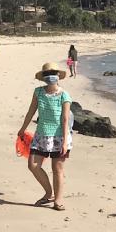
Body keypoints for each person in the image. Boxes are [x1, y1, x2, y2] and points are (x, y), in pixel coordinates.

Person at [18, 62, 72, 210]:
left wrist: (65, 141)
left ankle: (58, 200)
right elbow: (31, 112)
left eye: (53, 73)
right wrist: (23, 129)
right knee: (33, 165)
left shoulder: (64, 95)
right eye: (47, 74)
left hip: (59, 136)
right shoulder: (38, 92)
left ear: (58, 76)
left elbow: (65, 119)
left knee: (57, 169)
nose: (50, 76)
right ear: (43, 77)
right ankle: (48, 193)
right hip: (41, 134)